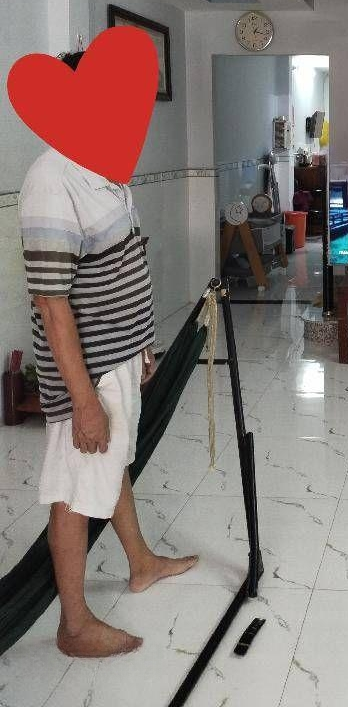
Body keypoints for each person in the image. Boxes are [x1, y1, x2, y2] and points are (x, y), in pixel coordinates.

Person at [18, 51, 198, 659]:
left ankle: (140, 562)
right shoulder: (52, 179)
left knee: (113, 460)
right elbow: (52, 304)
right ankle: (73, 626)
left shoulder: (104, 169)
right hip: (86, 372)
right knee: (76, 487)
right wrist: (84, 401)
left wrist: (141, 344)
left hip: (118, 357)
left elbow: (123, 265)